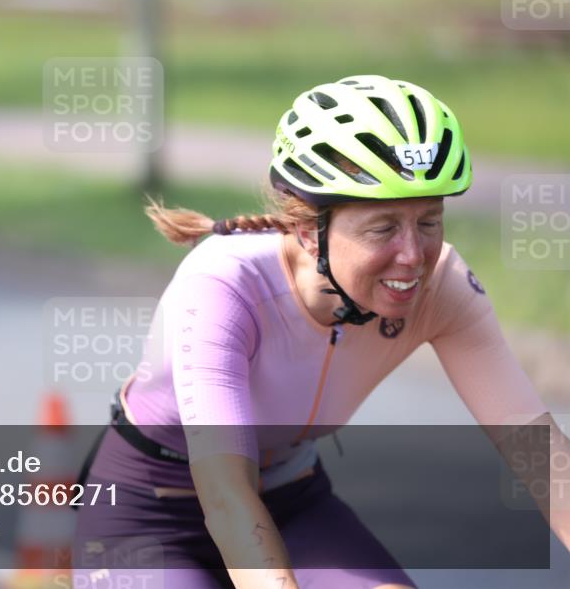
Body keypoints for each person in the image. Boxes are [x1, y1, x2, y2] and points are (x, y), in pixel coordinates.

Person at [70, 75, 570, 589]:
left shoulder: (442, 287)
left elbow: (541, 455)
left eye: (428, 221)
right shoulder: (223, 283)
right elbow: (226, 495)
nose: (413, 255)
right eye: (383, 227)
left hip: (292, 503)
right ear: (310, 231)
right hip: (150, 517)